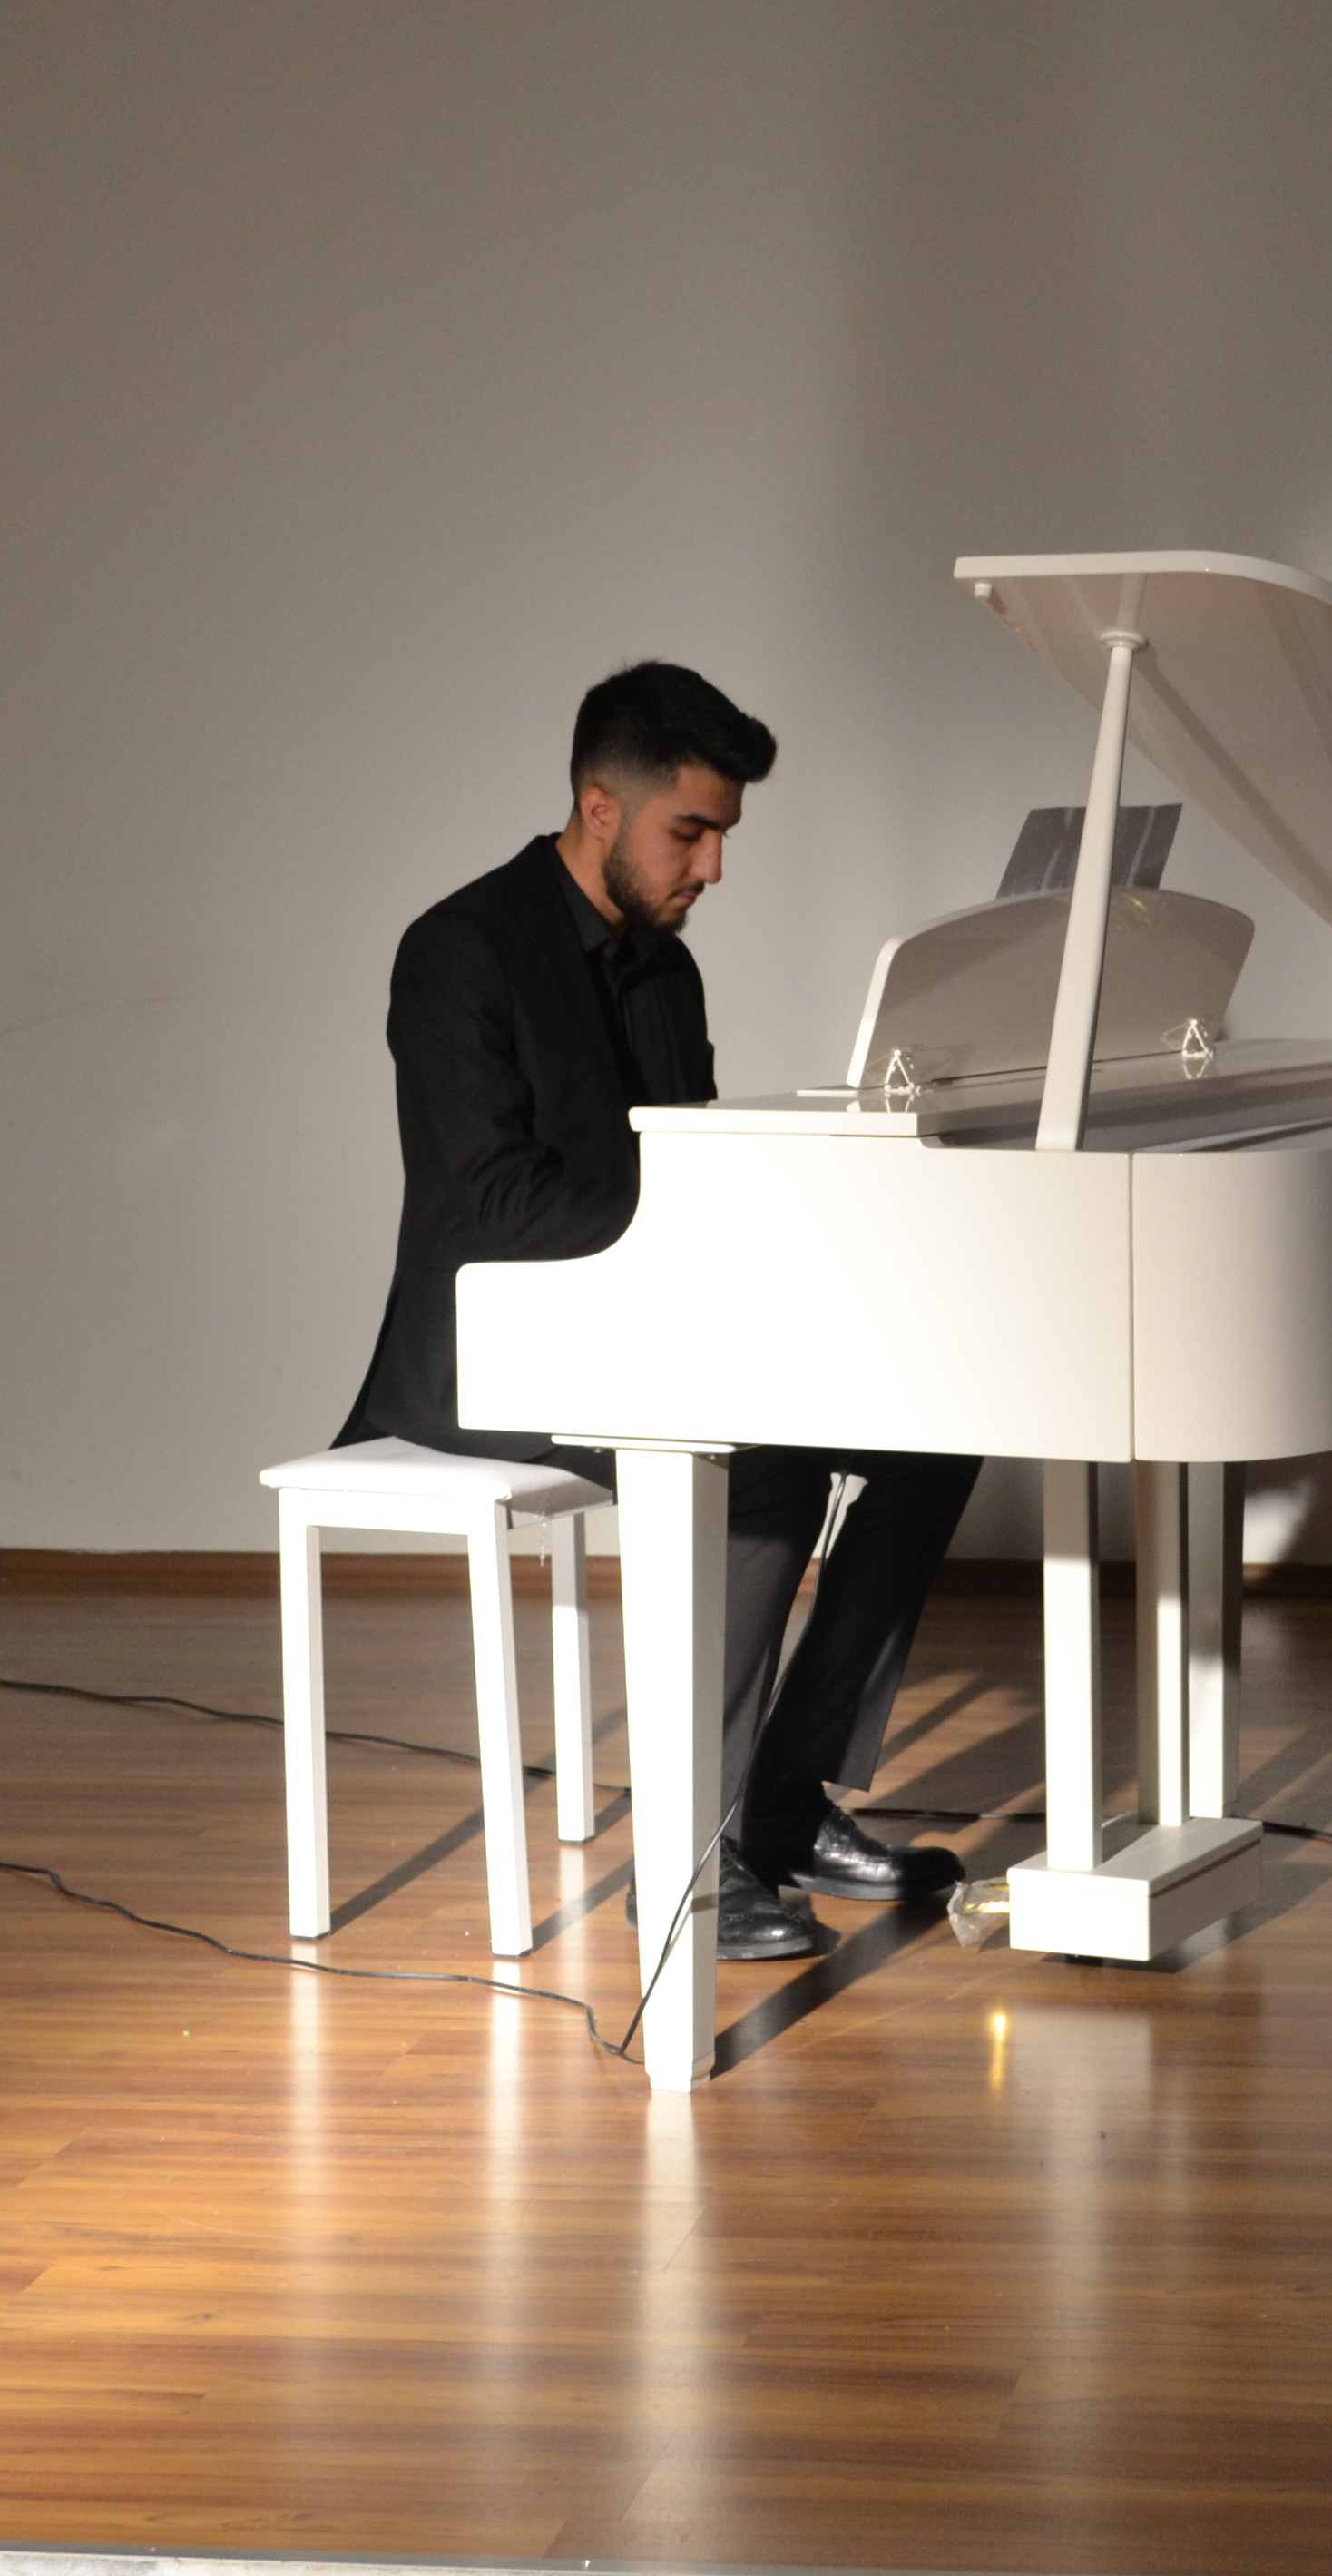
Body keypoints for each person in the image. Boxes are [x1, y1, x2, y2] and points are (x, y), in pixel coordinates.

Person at [338, 661, 978, 1961]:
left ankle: (782, 1802)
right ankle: (689, 1856)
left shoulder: (667, 974)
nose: (713, 867)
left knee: (939, 1428)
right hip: (488, 1356)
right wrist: (701, 1206)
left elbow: (693, 1171)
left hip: (650, 1336)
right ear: (599, 808)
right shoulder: (457, 950)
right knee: (763, 1468)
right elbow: (490, 1206)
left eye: (723, 834)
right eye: (691, 832)